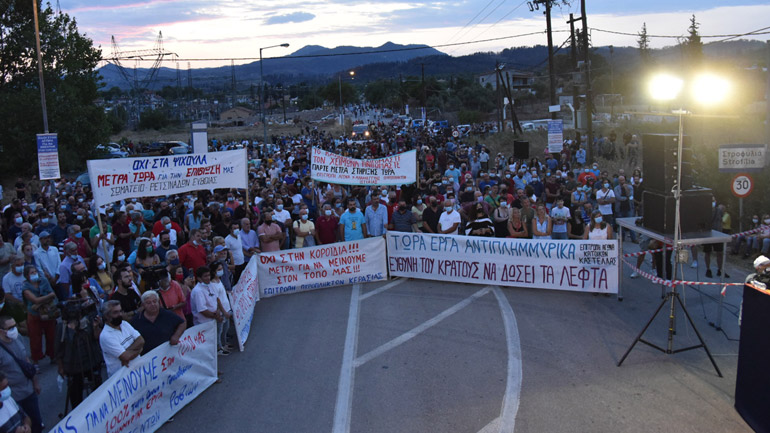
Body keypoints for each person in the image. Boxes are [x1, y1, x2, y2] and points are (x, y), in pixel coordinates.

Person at [54, 300, 103, 408]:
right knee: (76, 397)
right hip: (73, 367)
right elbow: (58, 349)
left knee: (99, 393)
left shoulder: (88, 321)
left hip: (91, 362)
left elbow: (96, 338)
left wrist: (96, 327)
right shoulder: (62, 327)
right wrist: (61, 367)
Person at [0, 316, 42, 433]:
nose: (14, 329)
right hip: (13, 397)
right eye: (10, 328)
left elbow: (26, 360)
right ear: (1, 331)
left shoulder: (18, 338)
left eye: (15, 326)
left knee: (36, 424)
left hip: (29, 391)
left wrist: (35, 381)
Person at [21, 267, 57, 364]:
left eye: (35, 272)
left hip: (48, 312)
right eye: (32, 273)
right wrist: (44, 299)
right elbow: (34, 300)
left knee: (51, 335)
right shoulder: (25, 288)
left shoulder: (44, 281)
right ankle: (36, 360)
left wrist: (38, 304)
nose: (34, 274)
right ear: (27, 276)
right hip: (34, 316)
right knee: (35, 339)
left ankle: (52, 356)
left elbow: (52, 294)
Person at [99, 300, 144, 377]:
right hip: (121, 378)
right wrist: (139, 349)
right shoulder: (106, 335)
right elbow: (126, 357)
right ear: (106, 316)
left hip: (138, 372)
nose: (120, 314)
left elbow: (141, 340)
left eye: (120, 311)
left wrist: (128, 352)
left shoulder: (124, 324)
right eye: (115, 312)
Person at [208, 262, 232, 354]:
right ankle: (219, 348)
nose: (221, 271)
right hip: (222, 311)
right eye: (218, 269)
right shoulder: (212, 284)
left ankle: (224, 344)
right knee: (220, 331)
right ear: (214, 271)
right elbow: (217, 300)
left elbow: (221, 292)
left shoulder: (219, 280)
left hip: (227, 308)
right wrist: (223, 312)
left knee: (226, 328)